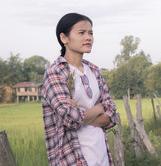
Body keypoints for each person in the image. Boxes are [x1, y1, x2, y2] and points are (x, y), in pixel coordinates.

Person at [42, 13, 117, 166]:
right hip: (72, 158)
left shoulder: (95, 71)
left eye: (90, 33)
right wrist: (98, 109)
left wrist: (81, 114)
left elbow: (111, 116)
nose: (88, 37)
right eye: (81, 33)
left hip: (101, 155)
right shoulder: (56, 72)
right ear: (64, 38)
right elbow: (70, 118)